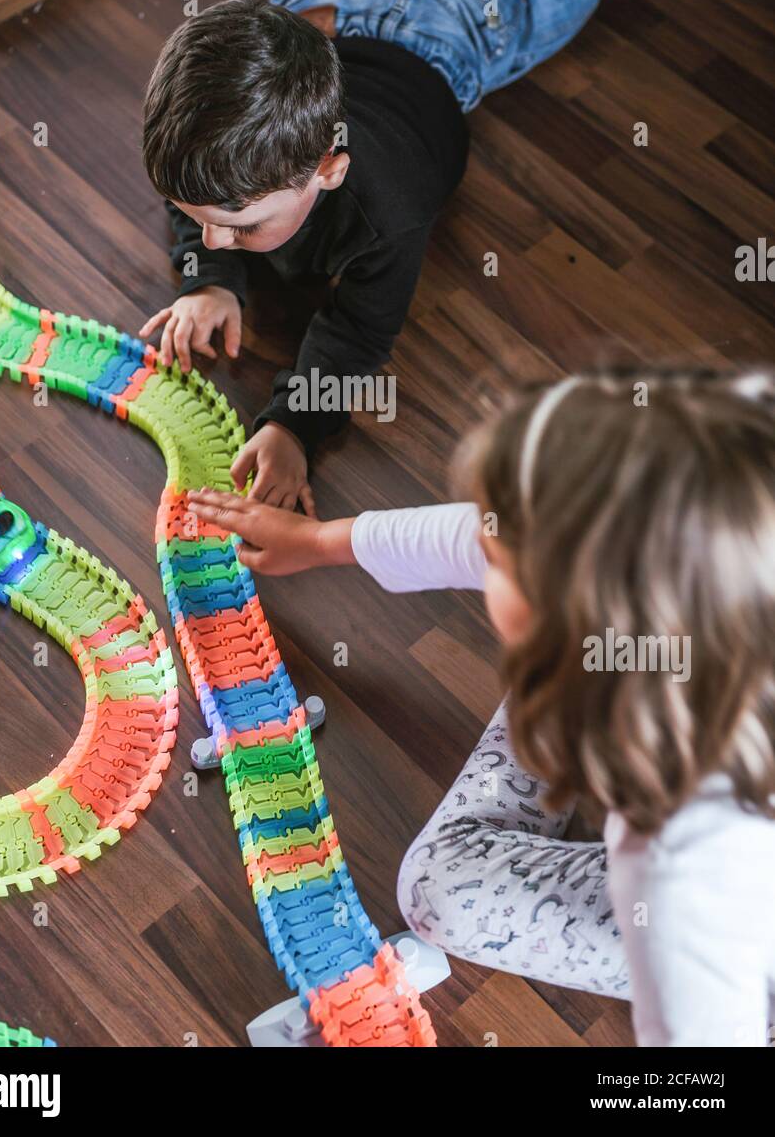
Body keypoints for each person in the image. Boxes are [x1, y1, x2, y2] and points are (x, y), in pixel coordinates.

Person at [188, 366, 775, 1046]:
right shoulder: (721, 501)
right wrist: (322, 542)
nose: (488, 551)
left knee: (442, 890)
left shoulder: (689, 851)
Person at [141, 0, 604, 512]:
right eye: (200, 221)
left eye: (238, 228)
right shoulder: (209, 154)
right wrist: (210, 279)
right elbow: (195, 205)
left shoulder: (387, 210)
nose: (214, 237)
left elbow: (358, 332)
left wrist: (294, 425)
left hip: (450, 22)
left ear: (328, 167)